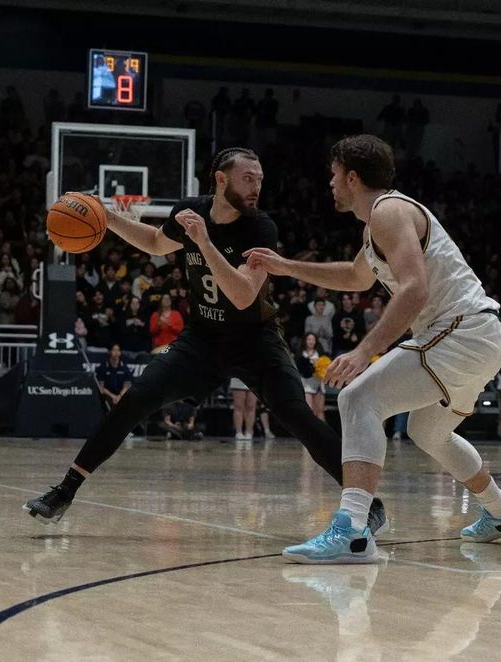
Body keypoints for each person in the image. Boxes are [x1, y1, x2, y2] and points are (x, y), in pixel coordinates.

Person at [24, 147, 386, 533]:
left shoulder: (261, 228)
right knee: (135, 399)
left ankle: (369, 504)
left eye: (260, 180)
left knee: (299, 418)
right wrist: (108, 217)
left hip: (255, 340)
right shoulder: (189, 211)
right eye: (249, 178)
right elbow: (155, 244)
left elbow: (244, 294)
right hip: (202, 340)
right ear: (220, 179)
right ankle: (64, 491)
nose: (256, 187)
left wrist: (205, 243)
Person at [246, 135, 501, 563]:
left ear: (353, 177)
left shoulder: (389, 211)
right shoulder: (378, 223)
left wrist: (364, 352)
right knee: (427, 432)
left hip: (461, 331)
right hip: (476, 337)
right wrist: (285, 267)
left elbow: (415, 289)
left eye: (335, 174)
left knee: (359, 396)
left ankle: (353, 532)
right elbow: (357, 277)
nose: (331, 183)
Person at [297, 333, 328, 421]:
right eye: (309, 339)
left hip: (318, 384)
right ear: (305, 341)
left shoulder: (320, 353)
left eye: (313, 339)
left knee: (320, 411)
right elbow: (300, 369)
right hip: (306, 384)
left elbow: (326, 366)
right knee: (309, 410)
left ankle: (324, 433)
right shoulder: (300, 354)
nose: (311, 341)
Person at [95, 344, 134, 409]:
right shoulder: (103, 367)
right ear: (109, 352)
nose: (116, 353)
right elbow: (101, 387)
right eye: (114, 350)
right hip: (108, 395)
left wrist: (119, 396)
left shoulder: (124, 367)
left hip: (120, 395)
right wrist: (113, 396)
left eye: (118, 350)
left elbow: (126, 386)